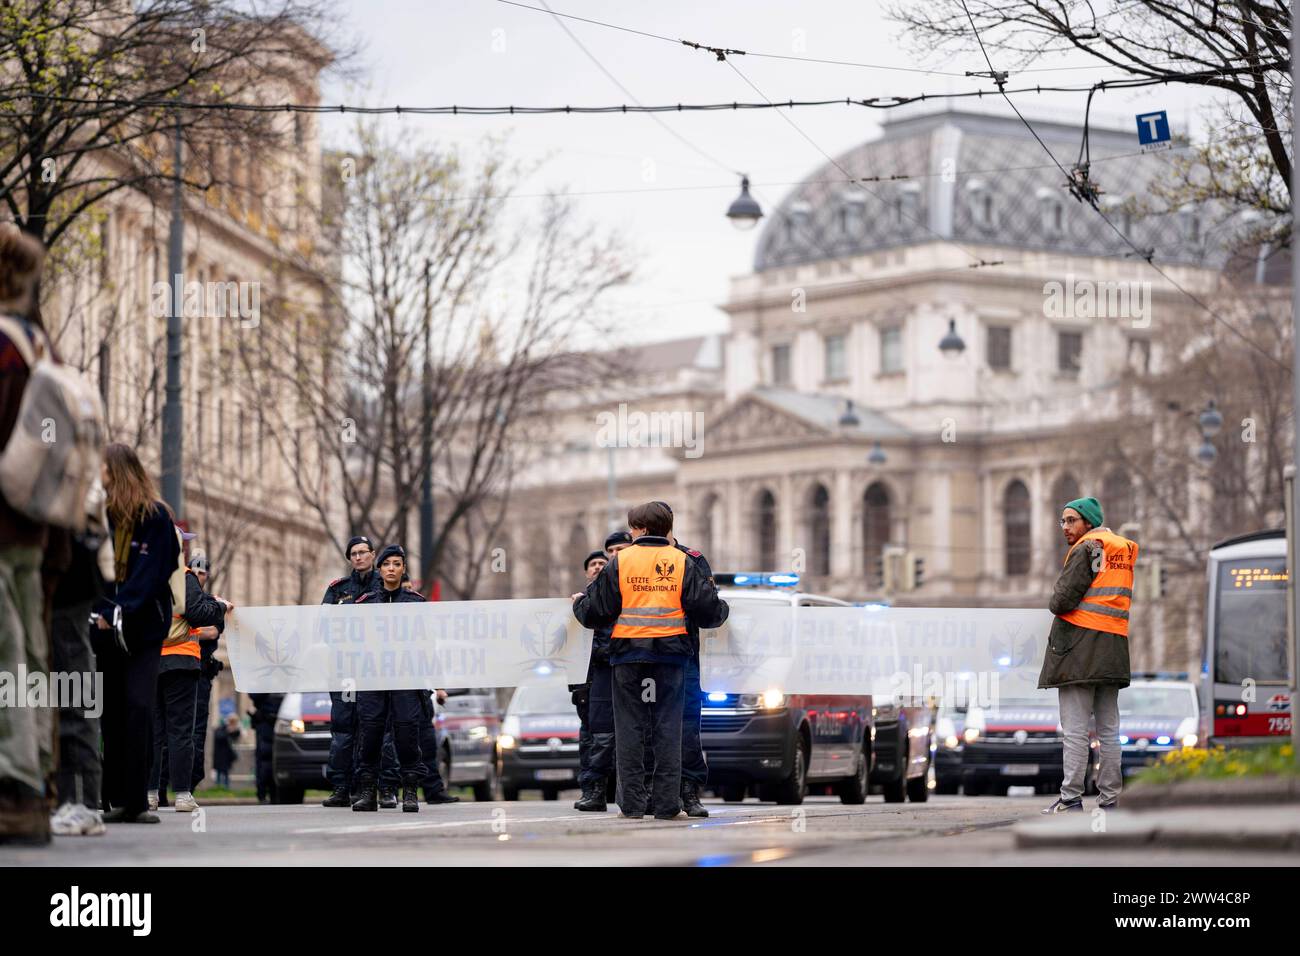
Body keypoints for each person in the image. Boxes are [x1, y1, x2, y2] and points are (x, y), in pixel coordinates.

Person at [572, 502, 728, 820]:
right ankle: (668, 804)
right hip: (672, 659)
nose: (629, 533)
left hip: (628, 658)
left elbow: (594, 613)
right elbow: (710, 614)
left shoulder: (621, 562)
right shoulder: (683, 561)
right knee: (669, 729)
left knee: (630, 730)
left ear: (642, 529)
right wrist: (722, 605)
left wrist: (579, 605)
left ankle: (631, 805)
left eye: (632, 527)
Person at [92, 443, 181, 824]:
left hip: (142, 629)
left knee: (139, 707)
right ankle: (114, 797)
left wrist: (120, 609)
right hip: (103, 630)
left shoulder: (156, 517)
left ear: (117, 470)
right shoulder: (97, 516)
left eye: (103, 467)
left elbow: (153, 572)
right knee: (110, 711)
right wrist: (99, 610)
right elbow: (91, 567)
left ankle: (138, 799)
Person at [0, 227, 54, 844]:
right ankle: (37, 780)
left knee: (8, 652)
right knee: (31, 655)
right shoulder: (39, 345)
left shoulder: (4, 351)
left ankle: (14, 787)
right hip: (38, 531)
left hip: (4, 519)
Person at [1038, 496, 1136, 814]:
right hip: (1113, 650)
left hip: (1079, 650)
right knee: (1109, 730)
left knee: (1076, 730)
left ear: (1088, 522)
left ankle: (1071, 798)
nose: (1065, 527)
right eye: (1062, 521)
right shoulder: (1121, 548)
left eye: (1071, 520)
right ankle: (1109, 799)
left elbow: (1061, 601)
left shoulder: (1087, 547)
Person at [148, 536, 228, 813]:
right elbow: (197, 613)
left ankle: (151, 794)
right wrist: (219, 607)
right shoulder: (184, 576)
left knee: (155, 733)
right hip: (181, 660)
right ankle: (182, 794)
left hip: (150, 661)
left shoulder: (145, 571)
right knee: (181, 731)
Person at [319, 535, 400, 808]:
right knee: (343, 729)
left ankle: (387, 788)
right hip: (345, 670)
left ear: (372, 554)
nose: (358, 557)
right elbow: (323, 627)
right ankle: (342, 788)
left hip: (377, 670)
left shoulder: (388, 587)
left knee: (380, 730)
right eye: (353, 553)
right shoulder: (338, 589)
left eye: (363, 552)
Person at [352, 545, 429, 812]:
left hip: (405, 679)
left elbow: (426, 641)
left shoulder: (416, 603)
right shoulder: (365, 603)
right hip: (373, 678)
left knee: (407, 732)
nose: (392, 569)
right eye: (387, 564)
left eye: (397, 564)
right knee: (371, 734)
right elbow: (354, 641)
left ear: (403, 569)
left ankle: (409, 791)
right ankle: (368, 791)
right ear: (380, 569)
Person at [187, 551, 232, 793]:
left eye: (203, 572)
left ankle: (189, 782)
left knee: (197, 730)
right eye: (195, 571)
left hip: (201, 672)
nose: (199, 576)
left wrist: (187, 631)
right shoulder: (182, 598)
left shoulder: (211, 602)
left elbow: (213, 631)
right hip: (180, 668)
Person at [571, 549, 612, 811]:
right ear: (586, 572)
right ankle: (593, 791)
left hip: (611, 673)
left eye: (602, 563)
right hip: (589, 682)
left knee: (609, 737)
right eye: (592, 564)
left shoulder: (611, 598)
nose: (597, 567)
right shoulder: (579, 603)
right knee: (595, 738)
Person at [248, 693, 283, 804]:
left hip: (277, 722)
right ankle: (263, 794)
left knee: (274, 760)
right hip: (266, 723)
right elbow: (253, 694)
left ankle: (272, 794)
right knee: (265, 760)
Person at [211, 713, 241, 788]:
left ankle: (226, 787)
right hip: (219, 755)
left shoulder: (232, 730)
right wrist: (228, 731)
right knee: (219, 772)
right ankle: (218, 787)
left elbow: (236, 736)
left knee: (226, 773)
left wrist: (235, 730)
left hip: (227, 756)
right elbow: (219, 737)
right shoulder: (221, 728)